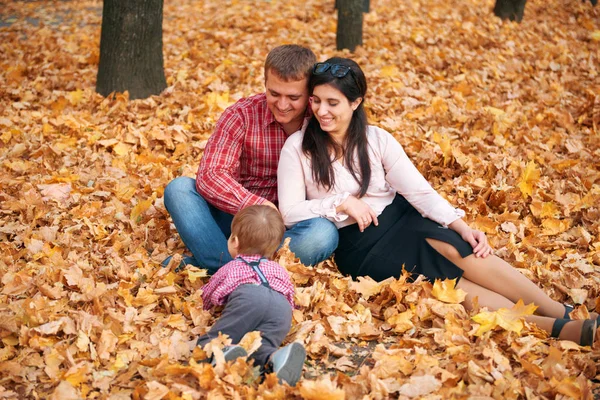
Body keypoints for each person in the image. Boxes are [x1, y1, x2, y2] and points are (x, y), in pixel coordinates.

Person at [277, 57, 597, 346]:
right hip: (359, 245)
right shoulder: (298, 148)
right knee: (441, 281)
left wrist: (461, 225)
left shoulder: (377, 140)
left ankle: (562, 311)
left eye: (333, 102)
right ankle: (553, 328)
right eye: (316, 101)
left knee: (457, 248)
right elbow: (289, 211)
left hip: (400, 217)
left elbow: (419, 191)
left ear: (356, 102)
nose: (321, 111)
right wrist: (341, 202)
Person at [163, 45, 338, 274]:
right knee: (179, 189)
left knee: (323, 233)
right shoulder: (241, 115)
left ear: (310, 93)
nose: (283, 105)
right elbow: (210, 175)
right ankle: (244, 269)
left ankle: (220, 267)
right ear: (265, 84)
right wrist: (257, 204)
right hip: (236, 223)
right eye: (274, 94)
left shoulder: (322, 119)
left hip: (288, 228)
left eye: (294, 97)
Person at [197, 205, 306, 386]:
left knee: (211, 342)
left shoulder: (231, 267)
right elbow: (289, 294)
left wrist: (205, 306)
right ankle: (276, 357)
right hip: (281, 309)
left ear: (235, 242)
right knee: (261, 346)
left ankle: (223, 352)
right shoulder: (278, 269)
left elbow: (210, 295)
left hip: (248, 299)